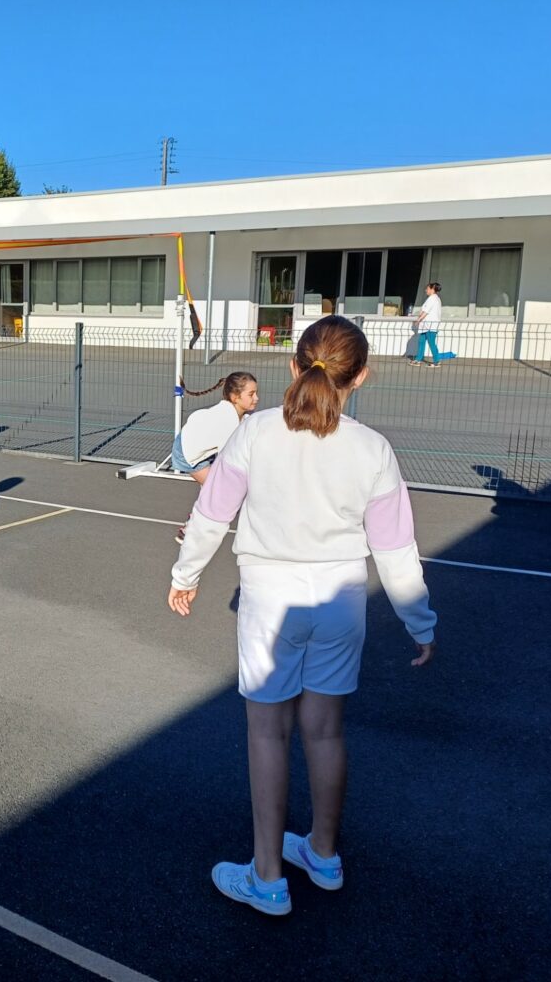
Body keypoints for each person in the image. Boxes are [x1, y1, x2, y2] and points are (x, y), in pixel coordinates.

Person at [168, 315, 436, 917]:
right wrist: (420, 623)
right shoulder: (373, 448)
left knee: (268, 732)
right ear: (359, 377)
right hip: (341, 601)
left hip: (271, 598)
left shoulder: (255, 432)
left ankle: (267, 878)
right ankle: (322, 853)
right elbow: (395, 548)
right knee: (326, 731)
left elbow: (211, 514)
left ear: (294, 366)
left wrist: (185, 576)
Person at [171, 371, 260, 542]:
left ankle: (191, 527)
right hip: (187, 454)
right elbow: (230, 460)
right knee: (219, 489)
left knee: (212, 488)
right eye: (251, 394)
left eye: (256, 393)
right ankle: (190, 529)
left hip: (196, 444)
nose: (256, 398)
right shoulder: (228, 422)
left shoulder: (237, 414)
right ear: (235, 397)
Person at [411, 282, 443, 367]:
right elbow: (424, 310)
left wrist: (418, 320)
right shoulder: (432, 298)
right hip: (425, 325)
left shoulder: (433, 298)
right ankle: (418, 359)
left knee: (431, 343)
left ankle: (437, 361)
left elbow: (426, 311)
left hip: (430, 325)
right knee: (421, 341)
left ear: (432, 289)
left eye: (427, 288)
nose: (426, 290)